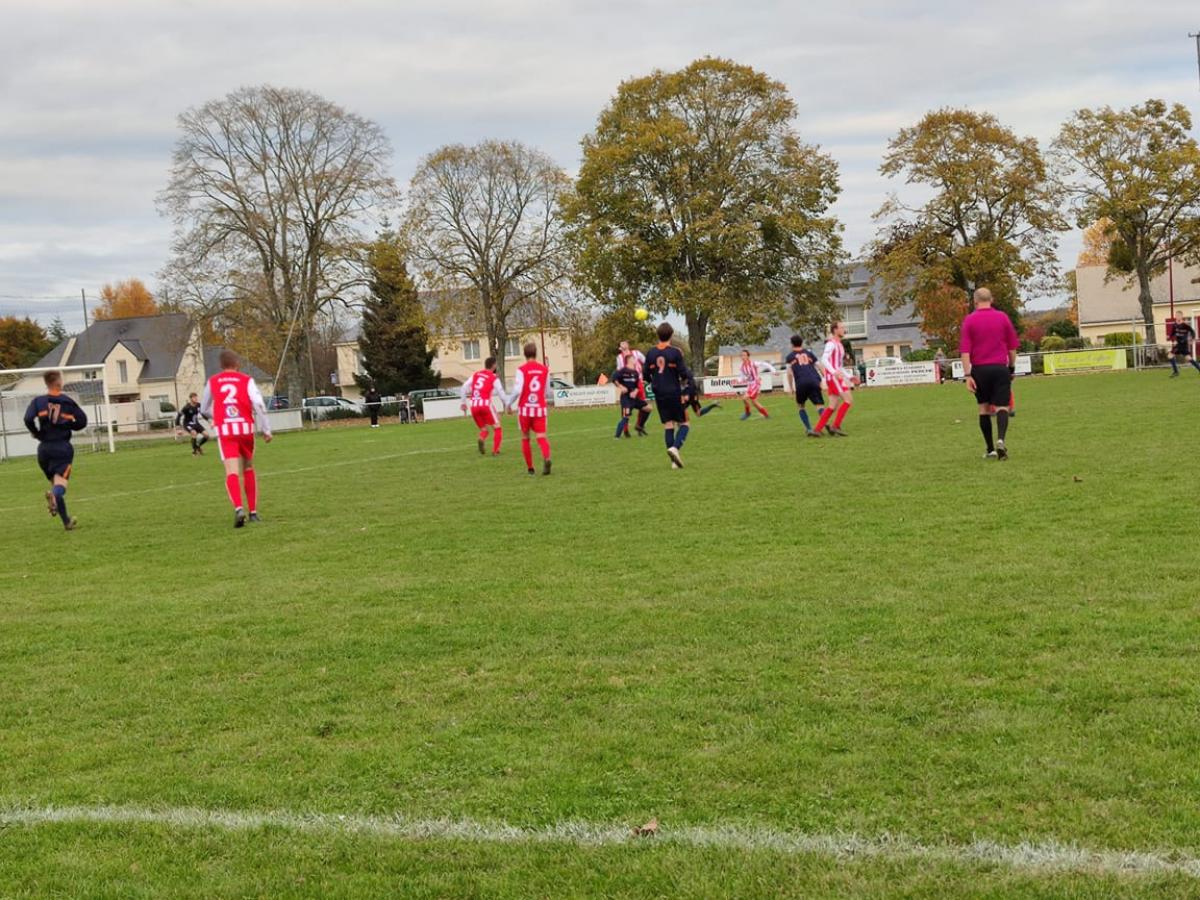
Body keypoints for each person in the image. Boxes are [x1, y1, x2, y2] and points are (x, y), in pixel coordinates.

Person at [200, 349, 273, 527]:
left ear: (221, 365)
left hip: (226, 431)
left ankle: (239, 509)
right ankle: (253, 512)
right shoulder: (246, 380)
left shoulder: (212, 381)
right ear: (237, 364)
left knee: (231, 471)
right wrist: (266, 429)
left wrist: (217, 416)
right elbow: (258, 404)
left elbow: (203, 409)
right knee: (248, 467)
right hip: (245, 429)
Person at [959, 287, 1019, 460]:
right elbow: (1012, 347)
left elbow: (965, 352)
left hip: (980, 370)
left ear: (975, 301)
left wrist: (968, 375)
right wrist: (1011, 368)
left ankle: (990, 449)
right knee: (1002, 407)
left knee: (983, 408)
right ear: (991, 299)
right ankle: (1001, 440)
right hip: (1000, 368)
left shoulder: (969, 320)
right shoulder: (1002, 317)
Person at [23, 370, 87, 531]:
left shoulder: (38, 401)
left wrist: (37, 433)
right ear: (59, 382)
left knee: (55, 483)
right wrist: (69, 425)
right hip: (62, 448)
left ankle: (60, 510)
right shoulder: (67, 401)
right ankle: (62, 513)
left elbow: (28, 418)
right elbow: (82, 421)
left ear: (46, 383)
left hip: (44, 450)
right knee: (60, 487)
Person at [643, 322, 693, 468]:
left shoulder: (651, 353)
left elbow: (645, 375)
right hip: (674, 392)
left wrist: (655, 381)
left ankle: (674, 462)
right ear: (671, 335)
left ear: (658, 335)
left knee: (668, 424)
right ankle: (675, 448)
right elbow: (683, 373)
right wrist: (686, 388)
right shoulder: (675, 352)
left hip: (659, 393)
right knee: (685, 423)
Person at [507, 343, 552, 476]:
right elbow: (548, 392)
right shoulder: (544, 369)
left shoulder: (521, 369)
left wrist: (508, 403)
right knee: (541, 437)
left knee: (525, 437)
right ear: (536, 354)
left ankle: (530, 468)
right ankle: (547, 457)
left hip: (525, 409)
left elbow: (517, 390)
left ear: (524, 354)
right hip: (539, 408)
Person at [460, 357, 510, 455]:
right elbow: (501, 392)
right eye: (496, 364)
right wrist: (507, 404)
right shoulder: (493, 377)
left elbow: (464, 387)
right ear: (494, 365)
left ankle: (481, 438)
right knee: (497, 427)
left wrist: (463, 403)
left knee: (484, 429)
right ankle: (495, 450)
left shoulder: (476, 374)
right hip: (485, 404)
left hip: (474, 405)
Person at [812, 322, 854, 437]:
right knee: (848, 400)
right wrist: (834, 372)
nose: (844, 329)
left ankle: (817, 429)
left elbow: (839, 366)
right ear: (835, 330)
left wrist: (849, 376)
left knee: (833, 406)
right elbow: (824, 359)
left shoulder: (839, 345)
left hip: (834, 377)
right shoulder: (831, 344)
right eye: (842, 328)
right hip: (833, 378)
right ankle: (835, 426)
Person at [784, 334, 824, 436]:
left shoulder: (789, 357)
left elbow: (789, 373)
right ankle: (825, 423)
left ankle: (809, 429)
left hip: (801, 383)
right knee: (819, 405)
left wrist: (791, 387)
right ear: (802, 343)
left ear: (792, 344)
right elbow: (820, 366)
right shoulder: (809, 353)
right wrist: (826, 379)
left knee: (801, 406)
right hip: (814, 380)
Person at [612, 352, 651, 438]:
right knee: (625, 417)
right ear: (629, 360)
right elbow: (614, 379)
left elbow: (637, 386)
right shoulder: (622, 371)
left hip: (634, 399)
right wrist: (621, 387)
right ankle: (617, 436)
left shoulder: (635, 372)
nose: (635, 360)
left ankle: (639, 426)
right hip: (626, 399)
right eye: (633, 359)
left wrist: (635, 392)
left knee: (648, 408)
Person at [737, 350, 770, 420]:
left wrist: (774, 371)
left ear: (748, 356)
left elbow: (765, 364)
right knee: (754, 402)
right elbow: (741, 377)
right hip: (750, 385)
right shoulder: (742, 367)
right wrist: (738, 380)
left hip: (756, 384)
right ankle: (766, 415)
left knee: (744, 398)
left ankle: (748, 413)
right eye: (741, 355)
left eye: (744, 355)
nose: (742, 357)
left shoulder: (753, 363)